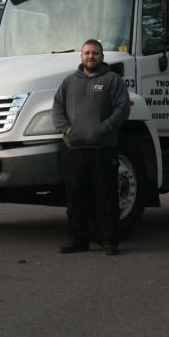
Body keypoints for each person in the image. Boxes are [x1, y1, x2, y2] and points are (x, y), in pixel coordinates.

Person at [51, 39, 130, 255]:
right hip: (73, 149)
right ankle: (78, 240)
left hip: (103, 148)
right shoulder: (68, 82)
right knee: (76, 198)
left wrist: (105, 127)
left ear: (102, 57)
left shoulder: (112, 80)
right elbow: (57, 108)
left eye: (95, 53)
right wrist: (66, 130)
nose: (90, 56)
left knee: (105, 196)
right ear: (81, 56)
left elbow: (122, 107)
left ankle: (109, 241)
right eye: (87, 53)